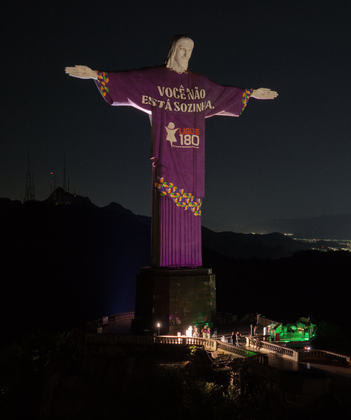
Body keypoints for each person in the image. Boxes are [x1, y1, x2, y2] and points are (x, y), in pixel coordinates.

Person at [65, 35, 278, 268]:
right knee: (166, 211)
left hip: (193, 161)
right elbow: (131, 81)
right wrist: (96, 74)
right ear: (173, 51)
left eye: (190, 50)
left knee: (192, 211)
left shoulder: (199, 84)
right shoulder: (156, 79)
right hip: (168, 155)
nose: (186, 55)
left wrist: (250, 93)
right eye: (182, 49)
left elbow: (222, 93)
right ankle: (167, 263)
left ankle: (190, 263)